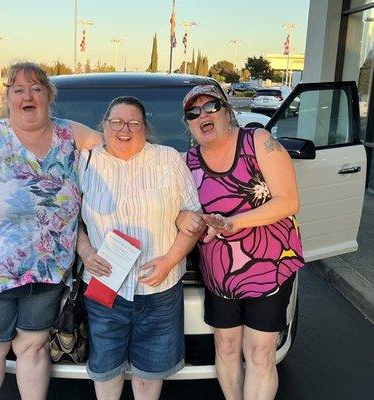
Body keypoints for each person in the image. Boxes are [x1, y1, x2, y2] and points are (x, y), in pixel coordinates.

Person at [0, 61, 101, 400]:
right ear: (9, 97)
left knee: (34, 347)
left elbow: (119, 146)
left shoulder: (70, 135)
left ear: (48, 95)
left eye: (36, 88)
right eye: (19, 89)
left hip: (48, 271)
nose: (28, 95)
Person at [176, 85, 305, 400]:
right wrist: (182, 218)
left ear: (227, 110)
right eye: (193, 112)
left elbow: (288, 201)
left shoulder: (257, 141)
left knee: (260, 353)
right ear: (188, 124)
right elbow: (176, 208)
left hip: (270, 266)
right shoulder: (185, 162)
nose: (202, 115)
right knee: (227, 346)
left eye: (211, 107)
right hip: (220, 275)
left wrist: (233, 222)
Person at [76, 96, 202, 400]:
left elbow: (193, 216)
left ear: (145, 127)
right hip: (105, 289)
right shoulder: (86, 160)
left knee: (148, 379)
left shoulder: (169, 158)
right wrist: (86, 252)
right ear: (103, 126)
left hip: (158, 289)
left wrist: (171, 260)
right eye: (117, 122)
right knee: (107, 376)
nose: (125, 129)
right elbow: (70, 219)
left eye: (134, 123)